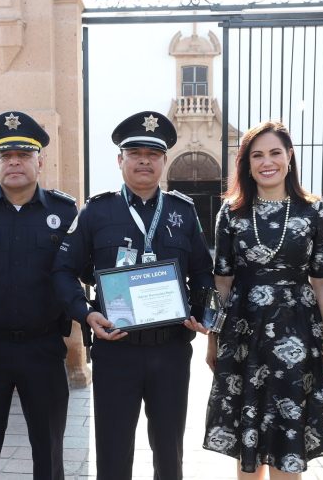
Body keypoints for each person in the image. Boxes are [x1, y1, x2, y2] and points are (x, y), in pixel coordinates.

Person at [52, 111, 214, 480]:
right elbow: (62, 271)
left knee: (169, 447)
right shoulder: (97, 211)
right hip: (116, 348)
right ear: (120, 159)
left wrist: (205, 313)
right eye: (135, 152)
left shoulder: (182, 212)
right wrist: (85, 313)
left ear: (163, 161)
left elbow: (204, 271)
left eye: (153, 154)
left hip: (171, 348)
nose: (144, 160)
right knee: (112, 447)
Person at [203, 121, 323, 478]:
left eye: (275, 153)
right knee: (246, 431)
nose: (267, 162)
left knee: (287, 431)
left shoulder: (313, 211)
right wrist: (214, 339)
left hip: (297, 331)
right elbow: (222, 280)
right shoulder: (231, 213)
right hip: (243, 333)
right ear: (247, 164)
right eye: (257, 155)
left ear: (290, 157)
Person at [0, 111, 77, 480]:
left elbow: (83, 270)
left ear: (41, 161)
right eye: (6, 157)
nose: (15, 163)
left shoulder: (64, 211)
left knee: (48, 447)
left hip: (43, 348)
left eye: (23, 155)